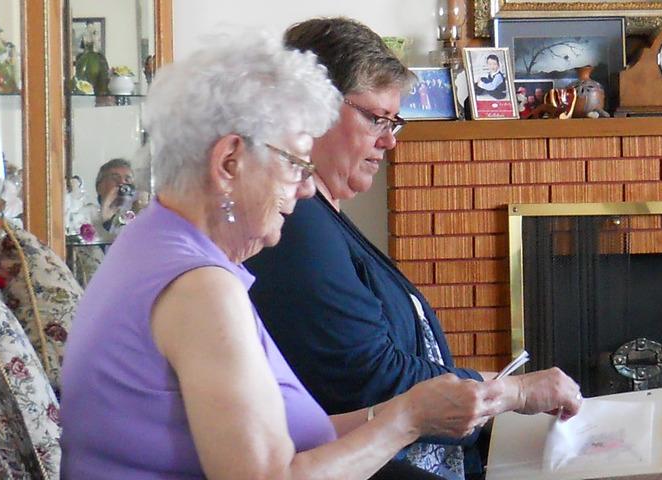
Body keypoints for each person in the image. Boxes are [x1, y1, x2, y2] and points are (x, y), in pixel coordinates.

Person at [60, 28, 503, 479]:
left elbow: (278, 439)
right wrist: (406, 419)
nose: (308, 187)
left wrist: (407, 412)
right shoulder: (200, 289)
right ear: (229, 161)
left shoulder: (154, 243)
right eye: (295, 163)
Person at [245, 17, 582, 480]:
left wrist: (505, 390)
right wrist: (514, 394)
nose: (388, 141)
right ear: (309, 107)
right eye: (375, 118)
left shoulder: (322, 220)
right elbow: (374, 381)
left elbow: (407, 371)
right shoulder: (298, 230)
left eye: (394, 123)